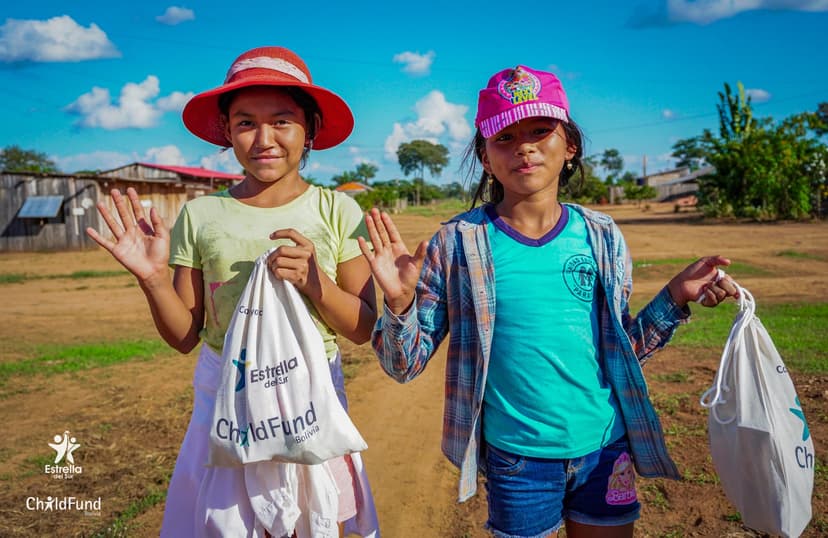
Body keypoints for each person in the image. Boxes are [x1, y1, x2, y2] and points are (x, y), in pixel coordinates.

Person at [359, 65, 739, 538]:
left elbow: (622, 351)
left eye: (541, 130)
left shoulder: (601, 236)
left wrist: (675, 297)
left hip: (605, 449)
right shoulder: (458, 243)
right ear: (484, 155)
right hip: (517, 463)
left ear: (570, 145)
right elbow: (404, 365)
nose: (525, 146)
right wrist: (399, 304)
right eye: (505, 135)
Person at [87, 46, 379, 538]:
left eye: (282, 121)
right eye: (245, 123)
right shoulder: (201, 217)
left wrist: (316, 284)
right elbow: (185, 335)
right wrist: (153, 278)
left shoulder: (336, 212)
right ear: (225, 131)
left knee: (316, 518)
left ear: (309, 128)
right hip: (225, 394)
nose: (264, 139)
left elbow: (364, 329)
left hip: (311, 394)